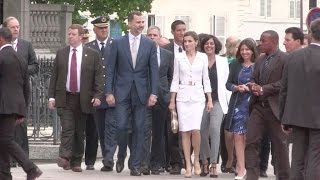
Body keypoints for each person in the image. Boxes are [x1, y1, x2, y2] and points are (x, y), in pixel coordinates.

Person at [105, 11, 159, 176]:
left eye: (143, 22)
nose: (141, 25)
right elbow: (111, 70)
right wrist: (109, 92)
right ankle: (121, 154)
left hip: (141, 92)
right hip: (121, 92)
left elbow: (153, 71)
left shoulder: (149, 44)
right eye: (138, 22)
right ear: (129, 24)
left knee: (139, 128)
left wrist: (154, 93)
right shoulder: (117, 43)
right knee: (121, 127)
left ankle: (135, 164)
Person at [48, 24, 104, 172]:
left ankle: (76, 161)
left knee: (79, 132)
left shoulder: (92, 55)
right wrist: (51, 97)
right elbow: (54, 77)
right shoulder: (61, 53)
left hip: (84, 98)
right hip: (65, 97)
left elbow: (98, 78)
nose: (70, 37)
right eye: (69, 34)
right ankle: (65, 156)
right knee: (67, 128)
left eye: (73, 34)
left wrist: (98, 96)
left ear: (81, 36)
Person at [245, 30, 290, 180]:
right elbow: (253, 77)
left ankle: (283, 176)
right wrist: (253, 85)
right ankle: (251, 175)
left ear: (274, 42)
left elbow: (284, 82)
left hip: (275, 108)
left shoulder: (285, 59)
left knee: (280, 146)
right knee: (251, 141)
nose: (260, 44)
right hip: (258, 107)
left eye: (263, 41)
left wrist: (264, 89)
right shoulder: (259, 59)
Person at [279, 18, 320, 180]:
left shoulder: (293, 57)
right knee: (315, 158)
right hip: (318, 118)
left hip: (296, 116)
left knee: (297, 158)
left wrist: (283, 118)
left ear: (309, 34)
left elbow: (284, 89)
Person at [169, 31, 213, 178]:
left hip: (198, 96)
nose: (187, 44)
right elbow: (175, 79)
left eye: (189, 41)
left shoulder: (203, 57)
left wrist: (210, 99)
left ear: (196, 42)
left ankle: (196, 160)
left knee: (196, 130)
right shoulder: (179, 57)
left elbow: (206, 80)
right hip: (182, 96)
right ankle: (187, 163)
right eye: (185, 41)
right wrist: (172, 101)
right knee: (185, 131)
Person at [0, 27, 42, 180]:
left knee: (5, 140)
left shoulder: (1, 56)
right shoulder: (20, 58)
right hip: (15, 106)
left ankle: (31, 168)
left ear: (1, 39)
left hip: (3, 106)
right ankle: (4, 174)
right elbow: (26, 86)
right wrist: (23, 109)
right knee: (3, 140)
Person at [85, 16, 117, 172]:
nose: (104, 30)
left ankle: (108, 159)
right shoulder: (88, 48)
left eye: (106, 28)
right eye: (101, 28)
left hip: (112, 95)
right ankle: (105, 156)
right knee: (99, 129)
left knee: (111, 129)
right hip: (96, 96)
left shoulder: (115, 45)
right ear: (94, 30)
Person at [141, 26, 174, 175]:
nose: (152, 37)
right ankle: (144, 162)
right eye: (149, 35)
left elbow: (170, 76)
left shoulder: (167, 54)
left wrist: (165, 92)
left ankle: (156, 163)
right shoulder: (141, 54)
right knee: (144, 131)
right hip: (143, 97)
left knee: (159, 132)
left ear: (160, 37)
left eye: (155, 35)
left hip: (162, 98)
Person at [225, 38, 258, 179]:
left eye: (247, 49)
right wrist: (236, 87)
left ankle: (249, 167)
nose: (244, 52)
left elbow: (262, 83)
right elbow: (228, 84)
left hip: (254, 104)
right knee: (238, 136)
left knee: (249, 137)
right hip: (238, 104)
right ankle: (241, 168)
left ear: (252, 50)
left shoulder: (258, 64)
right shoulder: (235, 64)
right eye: (242, 49)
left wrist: (251, 87)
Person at [198, 34, 231, 178]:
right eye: (206, 43)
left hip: (217, 100)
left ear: (215, 45)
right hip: (201, 101)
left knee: (214, 129)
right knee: (201, 131)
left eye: (211, 43)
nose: (209, 46)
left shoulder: (223, 61)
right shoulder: (199, 60)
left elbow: (226, 83)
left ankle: (213, 164)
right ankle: (203, 161)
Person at [163, 20, 186, 175]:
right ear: (173, 32)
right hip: (172, 95)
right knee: (173, 129)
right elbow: (163, 74)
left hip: (189, 95)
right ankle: (175, 162)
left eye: (184, 30)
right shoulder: (165, 50)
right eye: (179, 30)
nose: (182, 33)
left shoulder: (191, 49)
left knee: (188, 130)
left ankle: (188, 160)